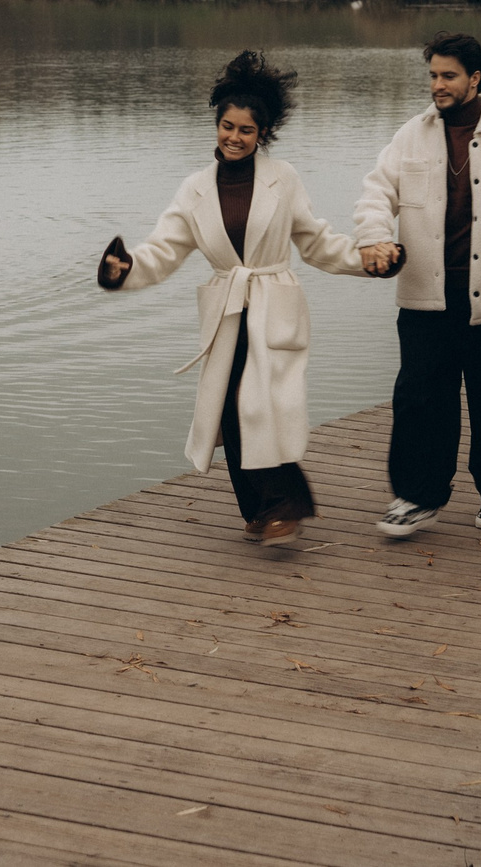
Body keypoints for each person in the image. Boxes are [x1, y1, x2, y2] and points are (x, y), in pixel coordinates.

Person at [99, 51, 369, 545]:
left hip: (272, 303)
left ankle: (286, 506)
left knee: (259, 405)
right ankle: (259, 511)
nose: (235, 137)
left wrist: (367, 259)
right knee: (230, 409)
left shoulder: (283, 178)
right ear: (217, 125)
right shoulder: (195, 189)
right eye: (228, 126)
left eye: (246, 130)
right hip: (226, 308)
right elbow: (165, 249)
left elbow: (315, 241)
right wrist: (126, 268)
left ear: (262, 134)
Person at [354, 32, 481, 539]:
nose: (437, 85)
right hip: (423, 293)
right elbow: (377, 192)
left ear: (475, 78)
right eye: (433, 75)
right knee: (419, 398)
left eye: (449, 76)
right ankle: (417, 497)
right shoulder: (411, 135)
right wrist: (375, 236)